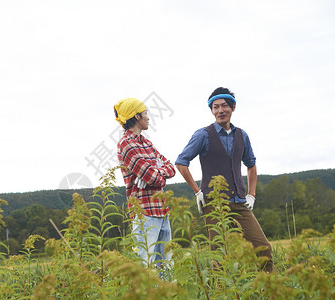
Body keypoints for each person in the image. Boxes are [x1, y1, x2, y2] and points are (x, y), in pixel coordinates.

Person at [175, 87, 273, 272]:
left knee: (263, 248)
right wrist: (198, 191)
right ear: (212, 111)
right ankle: (221, 291)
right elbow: (181, 162)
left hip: (240, 202)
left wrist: (251, 195)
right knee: (220, 255)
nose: (220, 110)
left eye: (224, 106)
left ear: (233, 108)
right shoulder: (203, 135)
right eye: (215, 107)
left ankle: (269, 288)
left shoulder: (242, 136)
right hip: (215, 204)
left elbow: (251, 165)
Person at [114, 97, 176, 266]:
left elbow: (171, 168)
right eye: (146, 113)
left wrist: (156, 172)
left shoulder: (147, 143)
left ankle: (166, 293)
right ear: (137, 116)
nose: (148, 117)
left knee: (166, 265)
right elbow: (152, 177)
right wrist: (156, 174)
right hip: (144, 213)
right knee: (145, 265)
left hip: (162, 211)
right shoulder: (126, 144)